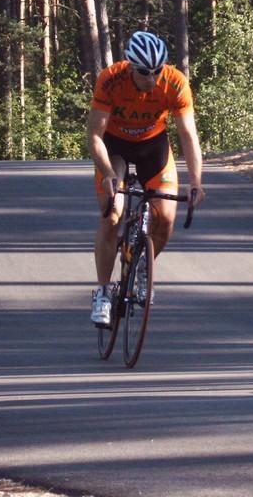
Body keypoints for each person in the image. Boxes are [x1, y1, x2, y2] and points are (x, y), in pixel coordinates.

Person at [87, 31, 205, 325]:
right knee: (112, 214)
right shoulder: (111, 79)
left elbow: (188, 135)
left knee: (165, 219)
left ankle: (142, 266)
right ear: (130, 66)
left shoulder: (175, 82)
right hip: (115, 147)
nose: (152, 78)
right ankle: (102, 292)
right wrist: (110, 175)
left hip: (153, 146)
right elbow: (94, 136)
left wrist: (196, 181)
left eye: (157, 71)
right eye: (144, 72)